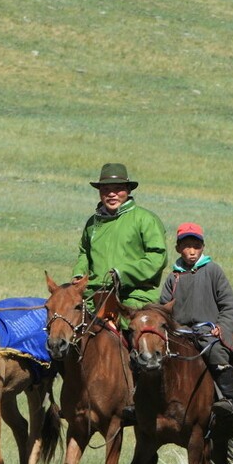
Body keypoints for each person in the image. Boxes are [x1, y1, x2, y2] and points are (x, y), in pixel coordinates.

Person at [73, 162, 168, 421]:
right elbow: (84, 253)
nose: (112, 194)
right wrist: (80, 274)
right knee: (64, 334)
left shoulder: (145, 219)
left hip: (135, 298)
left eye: (117, 189)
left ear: (127, 190)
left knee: (139, 341)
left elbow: (156, 257)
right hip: (97, 298)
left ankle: (139, 399)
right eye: (106, 189)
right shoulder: (93, 224)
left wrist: (124, 273)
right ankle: (70, 397)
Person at [160, 222, 233, 422]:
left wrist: (222, 328)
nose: (192, 251)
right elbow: (163, 308)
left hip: (207, 331)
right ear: (178, 248)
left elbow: (228, 305)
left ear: (202, 247)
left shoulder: (213, 270)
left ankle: (229, 398)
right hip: (180, 333)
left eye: (196, 246)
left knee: (215, 352)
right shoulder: (173, 277)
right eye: (186, 246)